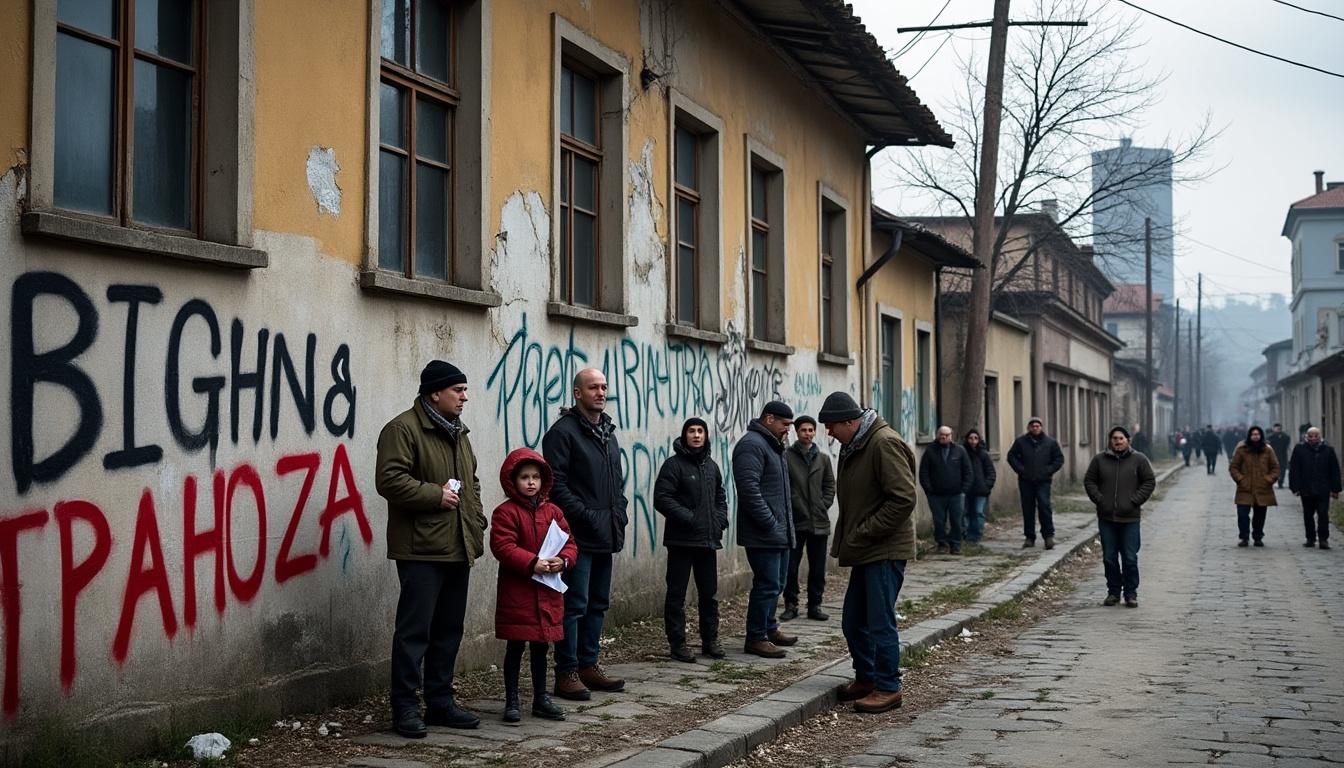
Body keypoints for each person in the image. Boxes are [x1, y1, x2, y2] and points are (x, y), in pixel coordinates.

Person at [376, 360, 487, 738]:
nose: (464, 397)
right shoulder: (402, 429)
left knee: (448, 630)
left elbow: (471, 481)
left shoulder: (458, 432)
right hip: (421, 549)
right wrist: (434, 495)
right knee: (414, 632)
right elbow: (389, 480)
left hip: (458, 546)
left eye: (464, 390)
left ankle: (440, 702)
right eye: (458, 390)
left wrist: (477, 522)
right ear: (434, 393)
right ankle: (406, 707)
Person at [819, 391, 916, 715]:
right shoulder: (857, 444)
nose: (828, 433)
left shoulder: (882, 443)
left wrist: (865, 532)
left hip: (883, 549)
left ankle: (888, 687)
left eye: (832, 426)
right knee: (853, 620)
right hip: (867, 549)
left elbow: (903, 498)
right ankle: (867, 677)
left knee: (879, 620)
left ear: (850, 421)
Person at [542, 368, 629, 701]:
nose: (601, 392)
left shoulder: (607, 431)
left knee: (598, 603)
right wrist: (587, 516)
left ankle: (589, 664)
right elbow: (556, 485)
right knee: (574, 605)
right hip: (576, 537)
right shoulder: (563, 433)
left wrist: (618, 511)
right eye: (593, 387)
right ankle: (566, 672)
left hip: (605, 531)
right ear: (577, 393)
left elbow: (616, 482)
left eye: (605, 386)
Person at [489, 448, 578, 723]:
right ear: (512, 481)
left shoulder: (554, 512)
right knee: (515, 648)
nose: (530, 483)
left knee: (542, 647)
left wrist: (563, 562)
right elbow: (503, 546)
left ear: (543, 480)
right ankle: (512, 700)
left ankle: (541, 698)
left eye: (535, 477)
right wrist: (531, 563)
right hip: (519, 593)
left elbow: (571, 544)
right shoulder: (505, 513)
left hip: (547, 592)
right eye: (525, 477)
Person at [654, 417, 729, 661]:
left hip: (707, 542)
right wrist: (689, 518)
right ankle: (678, 644)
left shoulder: (711, 466)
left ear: (706, 436)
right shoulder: (673, 465)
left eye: (700, 431)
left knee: (710, 594)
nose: (696, 435)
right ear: (684, 435)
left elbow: (720, 496)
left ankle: (710, 641)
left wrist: (719, 521)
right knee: (677, 595)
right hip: (681, 542)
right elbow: (662, 498)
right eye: (691, 431)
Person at [733, 401, 797, 658]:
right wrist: (770, 522)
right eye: (785, 424)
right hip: (763, 533)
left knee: (777, 583)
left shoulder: (773, 445)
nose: (788, 430)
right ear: (769, 419)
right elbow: (749, 490)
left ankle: (770, 628)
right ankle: (756, 637)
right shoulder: (751, 445)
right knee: (767, 584)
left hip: (779, 532)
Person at [1083, 426, 1156, 609]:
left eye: (1121, 438)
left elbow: (1149, 481)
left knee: (1130, 557)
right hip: (1107, 517)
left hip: (1130, 517)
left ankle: (1131, 593)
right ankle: (1113, 592)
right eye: (1114, 438)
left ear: (1128, 440)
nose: (1117, 441)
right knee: (1109, 557)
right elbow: (1089, 481)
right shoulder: (1100, 460)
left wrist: (1135, 501)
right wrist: (1100, 500)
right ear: (1110, 440)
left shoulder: (1139, 459)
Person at [783, 416, 836, 622]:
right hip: (796, 521)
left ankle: (815, 605)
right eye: (803, 430)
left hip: (819, 521)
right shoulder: (787, 457)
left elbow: (830, 485)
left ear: (815, 432)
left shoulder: (823, 459)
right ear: (797, 432)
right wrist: (796, 506)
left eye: (811, 430)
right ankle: (791, 604)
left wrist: (823, 504)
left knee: (817, 567)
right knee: (791, 566)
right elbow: (786, 487)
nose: (807, 433)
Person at [1006, 417, 1065, 549]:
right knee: (1028, 508)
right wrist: (1021, 470)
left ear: (1041, 427)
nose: (1035, 428)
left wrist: (1048, 470)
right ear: (1029, 427)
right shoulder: (1021, 442)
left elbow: (1059, 459)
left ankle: (1048, 536)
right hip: (1026, 480)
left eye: (1038, 426)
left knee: (1044, 506)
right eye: (1033, 426)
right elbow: (1011, 456)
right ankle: (1029, 537)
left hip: (1043, 481)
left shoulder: (1050, 443)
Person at [918, 426, 972, 554]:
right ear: (937, 436)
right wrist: (928, 489)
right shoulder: (930, 451)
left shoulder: (959, 451)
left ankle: (956, 545)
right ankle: (942, 543)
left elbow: (968, 471)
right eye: (941, 435)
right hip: (936, 495)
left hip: (956, 494)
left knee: (956, 520)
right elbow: (924, 472)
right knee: (939, 521)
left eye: (947, 435)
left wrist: (964, 489)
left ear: (951, 436)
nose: (944, 437)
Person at [1288, 427, 1341, 550]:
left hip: (1323, 488)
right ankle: (1310, 538)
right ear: (1306, 437)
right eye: (1310, 436)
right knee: (1308, 514)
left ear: (1320, 436)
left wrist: (1335, 489)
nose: (1313, 438)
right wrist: (1294, 487)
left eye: (1315, 436)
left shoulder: (1328, 450)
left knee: (1323, 514)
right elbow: (1294, 469)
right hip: (1306, 488)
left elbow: (1334, 470)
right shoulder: (1300, 449)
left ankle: (1323, 539)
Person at [1228, 425, 1279, 547]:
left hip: (1262, 488)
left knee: (1260, 515)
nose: (1255, 436)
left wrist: (1268, 480)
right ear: (1249, 436)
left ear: (1261, 436)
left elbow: (1275, 467)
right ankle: (1244, 537)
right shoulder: (1242, 449)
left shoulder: (1267, 450)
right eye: (1253, 434)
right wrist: (1241, 480)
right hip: (1245, 489)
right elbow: (1233, 467)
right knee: (1242, 514)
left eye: (1257, 434)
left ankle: (1258, 536)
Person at [962, 429, 997, 544]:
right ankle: (966, 535)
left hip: (980, 490)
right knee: (964, 512)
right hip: (965, 489)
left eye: (975, 438)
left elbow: (991, 472)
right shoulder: (962, 453)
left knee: (978, 512)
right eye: (970, 438)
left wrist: (987, 485)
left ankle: (976, 536)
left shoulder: (983, 454)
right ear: (967, 439)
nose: (973, 441)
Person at [1268, 423, 1292, 489]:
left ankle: (1280, 481)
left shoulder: (1285, 437)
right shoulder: (1270, 437)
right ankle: (1276, 480)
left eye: (1279, 428)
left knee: (1282, 469)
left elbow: (1286, 444)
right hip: (1273, 455)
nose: (1277, 429)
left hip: (1282, 455)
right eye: (1276, 428)